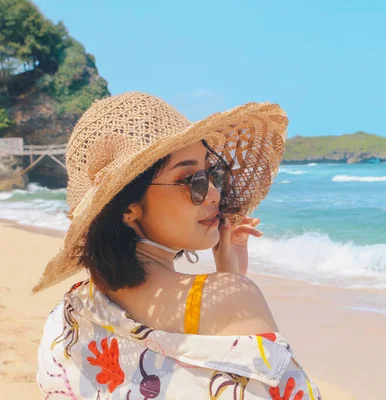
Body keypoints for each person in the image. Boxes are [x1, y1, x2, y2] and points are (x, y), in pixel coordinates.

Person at [35, 92, 322, 399]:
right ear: (128, 207)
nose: (213, 193)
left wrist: (229, 276)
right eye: (190, 180)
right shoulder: (227, 302)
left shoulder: (68, 314)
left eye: (213, 173)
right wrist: (232, 287)